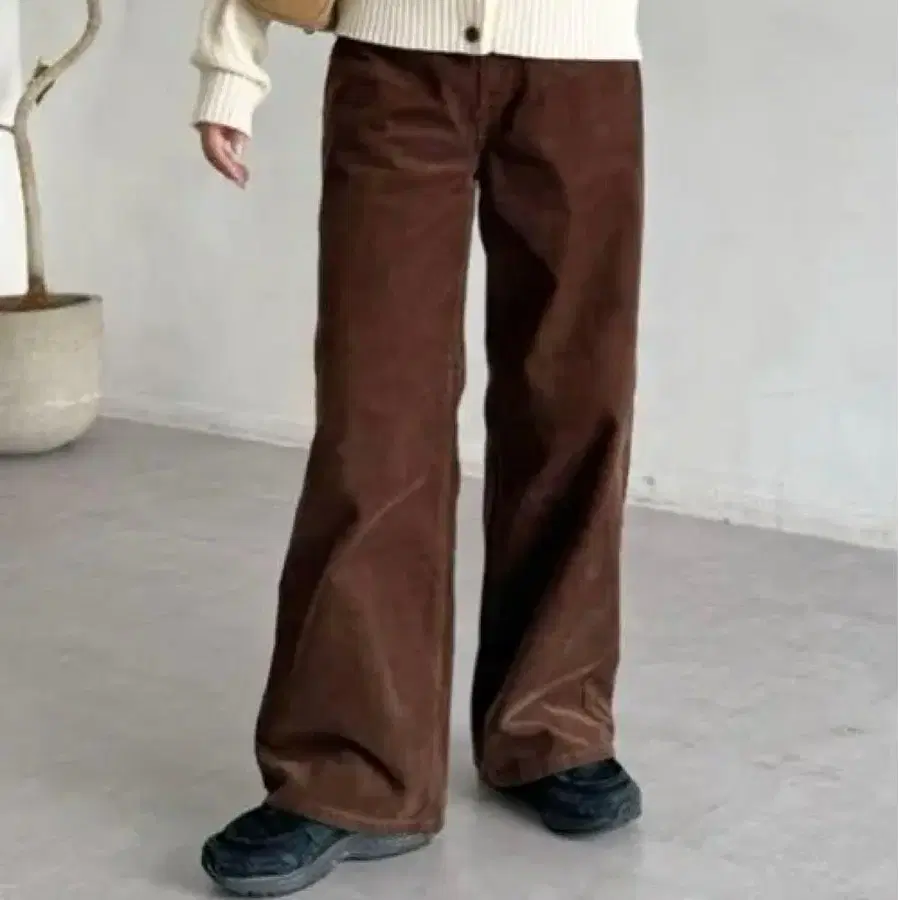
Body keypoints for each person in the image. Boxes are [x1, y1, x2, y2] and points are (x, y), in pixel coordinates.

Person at [192, 0, 645, 895]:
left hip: (581, 72)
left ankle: (553, 724)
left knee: (573, 404)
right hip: (394, 65)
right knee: (375, 417)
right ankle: (351, 768)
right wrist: (231, 65)